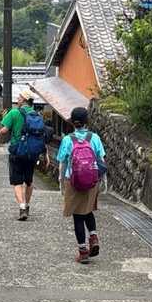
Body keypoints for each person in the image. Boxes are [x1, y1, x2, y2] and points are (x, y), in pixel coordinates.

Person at [57, 106, 106, 263]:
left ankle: (83, 251)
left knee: (77, 215)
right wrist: (103, 182)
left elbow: (62, 163)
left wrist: (61, 182)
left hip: (73, 181)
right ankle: (93, 236)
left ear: (72, 122)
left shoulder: (67, 140)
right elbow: (101, 161)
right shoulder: (95, 138)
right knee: (88, 210)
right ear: (87, 121)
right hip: (92, 181)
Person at [0, 94, 49, 221]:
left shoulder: (14, 112)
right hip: (32, 152)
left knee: (17, 182)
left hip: (17, 151)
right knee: (29, 181)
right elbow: (41, 135)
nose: (17, 100)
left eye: (19, 98)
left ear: (24, 100)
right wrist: (45, 153)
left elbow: (4, 130)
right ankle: (27, 205)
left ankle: (22, 207)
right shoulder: (37, 115)